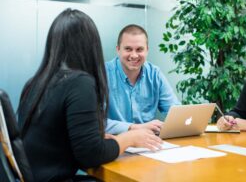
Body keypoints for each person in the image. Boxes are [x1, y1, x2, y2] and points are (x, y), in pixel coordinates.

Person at [17, 9, 162, 182]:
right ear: (90, 45)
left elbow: (54, 140)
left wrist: (98, 139)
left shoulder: (35, 82)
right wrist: (129, 138)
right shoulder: (79, 82)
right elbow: (91, 155)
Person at [105, 24, 180, 135]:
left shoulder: (155, 74)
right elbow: (95, 123)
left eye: (139, 49)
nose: (134, 55)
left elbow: (176, 113)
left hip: (148, 145)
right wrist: (134, 128)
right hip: (115, 145)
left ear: (147, 50)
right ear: (118, 50)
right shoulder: (103, 74)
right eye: (128, 49)